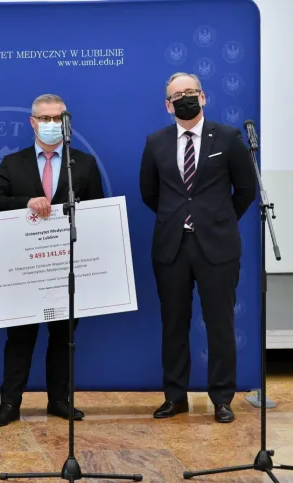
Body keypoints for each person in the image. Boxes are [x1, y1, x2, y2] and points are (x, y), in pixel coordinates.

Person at [139, 72, 256, 423]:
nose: (185, 97)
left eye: (191, 92)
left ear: (203, 98)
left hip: (216, 247)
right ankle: (175, 397)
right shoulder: (156, 141)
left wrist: (218, 220)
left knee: (219, 323)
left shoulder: (229, 137)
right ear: (167, 104)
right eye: (179, 94)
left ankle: (222, 399)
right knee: (173, 323)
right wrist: (178, 218)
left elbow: (246, 189)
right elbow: (150, 193)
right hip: (171, 247)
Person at [0, 94, 104, 427]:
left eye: (58, 118)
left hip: (65, 268)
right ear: (32, 122)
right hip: (25, 268)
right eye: (45, 119)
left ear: (68, 122)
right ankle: (9, 404)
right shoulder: (12, 162)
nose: (51, 125)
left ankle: (60, 400)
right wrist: (26, 202)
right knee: (19, 338)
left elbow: (97, 215)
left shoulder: (85, 164)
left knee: (64, 338)